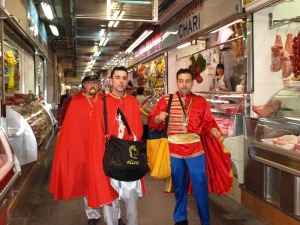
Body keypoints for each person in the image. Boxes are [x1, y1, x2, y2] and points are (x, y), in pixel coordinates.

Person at [149, 68, 232, 225]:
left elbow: (208, 123)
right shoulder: (166, 101)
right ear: (176, 82)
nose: (184, 84)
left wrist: (213, 130)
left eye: (187, 81)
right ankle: (180, 218)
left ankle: (205, 221)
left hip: (195, 149)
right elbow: (153, 123)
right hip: (173, 149)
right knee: (179, 185)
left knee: (200, 185)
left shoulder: (201, 101)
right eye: (181, 81)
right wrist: (159, 118)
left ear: (192, 82)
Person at [49, 71, 118, 225]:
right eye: (89, 82)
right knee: (88, 181)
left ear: (99, 84)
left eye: (95, 82)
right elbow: (70, 129)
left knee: (109, 180)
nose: (92, 85)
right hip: (85, 150)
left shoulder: (106, 100)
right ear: (84, 85)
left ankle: (115, 214)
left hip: (105, 149)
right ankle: (92, 214)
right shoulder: (76, 102)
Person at [89, 66, 145, 225]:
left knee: (131, 196)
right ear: (111, 80)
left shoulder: (132, 101)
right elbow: (96, 132)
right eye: (117, 77)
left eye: (124, 78)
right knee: (109, 198)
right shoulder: (102, 103)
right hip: (110, 155)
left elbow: (138, 129)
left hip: (128, 154)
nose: (121, 81)